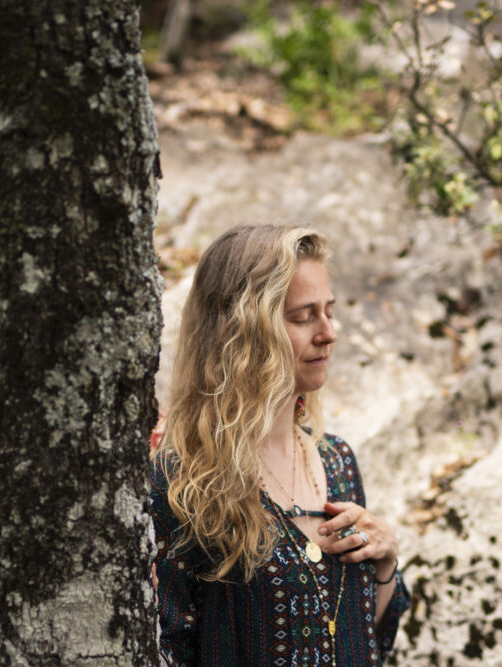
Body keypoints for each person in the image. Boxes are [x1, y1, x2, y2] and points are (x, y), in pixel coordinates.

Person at [149, 224, 411, 666]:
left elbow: (367, 637)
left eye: (328, 311)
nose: (329, 333)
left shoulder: (337, 461)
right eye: (303, 316)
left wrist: (385, 561)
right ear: (243, 332)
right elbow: (165, 649)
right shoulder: (183, 480)